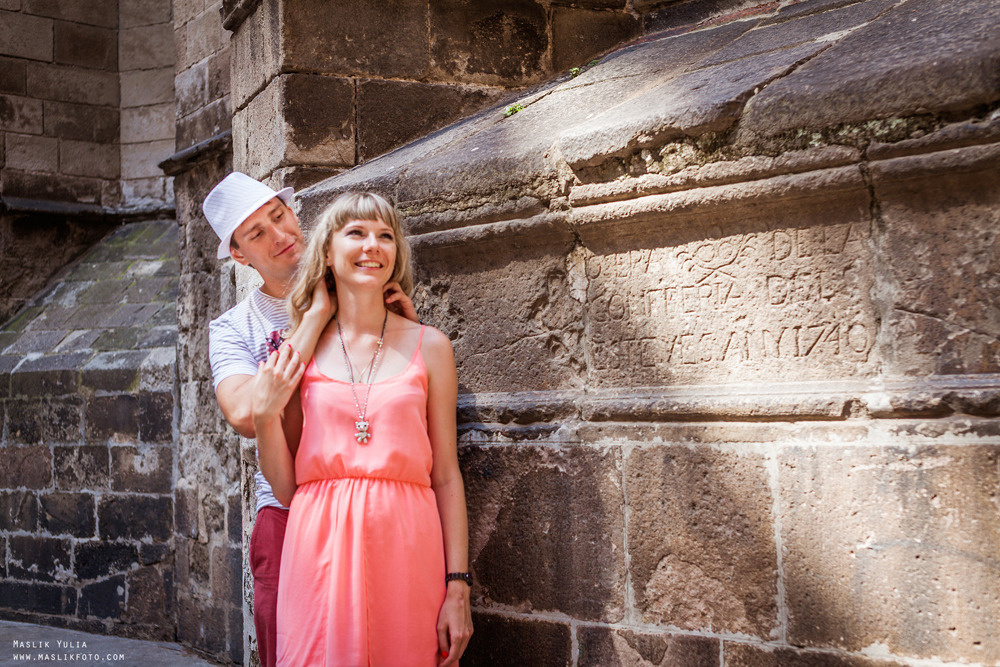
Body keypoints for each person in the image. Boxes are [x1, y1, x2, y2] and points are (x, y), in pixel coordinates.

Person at [203, 173, 418, 667]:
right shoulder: (234, 328)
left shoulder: (362, 286)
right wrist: (316, 317)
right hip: (285, 509)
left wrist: (407, 328)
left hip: (371, 499)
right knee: (290, 652)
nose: (279, 236)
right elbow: (242, 413)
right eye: (256, 233)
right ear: (239, 255)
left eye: (279, 217)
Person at [251, 192, 473, 666]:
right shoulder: (298, 354)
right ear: (327, 255)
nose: (373, 245)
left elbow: (448, 476)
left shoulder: (431, 346)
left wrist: (459, 588)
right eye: (356, 232)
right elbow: (287, 488)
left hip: (408, 549)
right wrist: (265, 417)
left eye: (385, 236)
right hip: (317, 552)